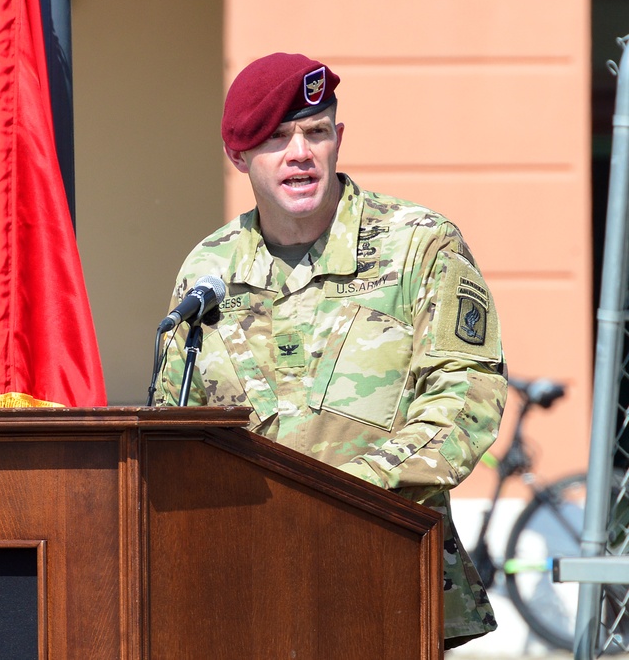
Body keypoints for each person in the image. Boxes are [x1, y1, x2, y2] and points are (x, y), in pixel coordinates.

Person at [156, 52, 506, 649]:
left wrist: (341, 499)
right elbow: (174, 423)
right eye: (278, 139)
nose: (301, 153)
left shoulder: (417, 246)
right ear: (238, 155)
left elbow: (465, 400)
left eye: (316, 133)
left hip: (385, 572)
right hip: (246, 588)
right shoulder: (209, 267)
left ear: (337, 140)